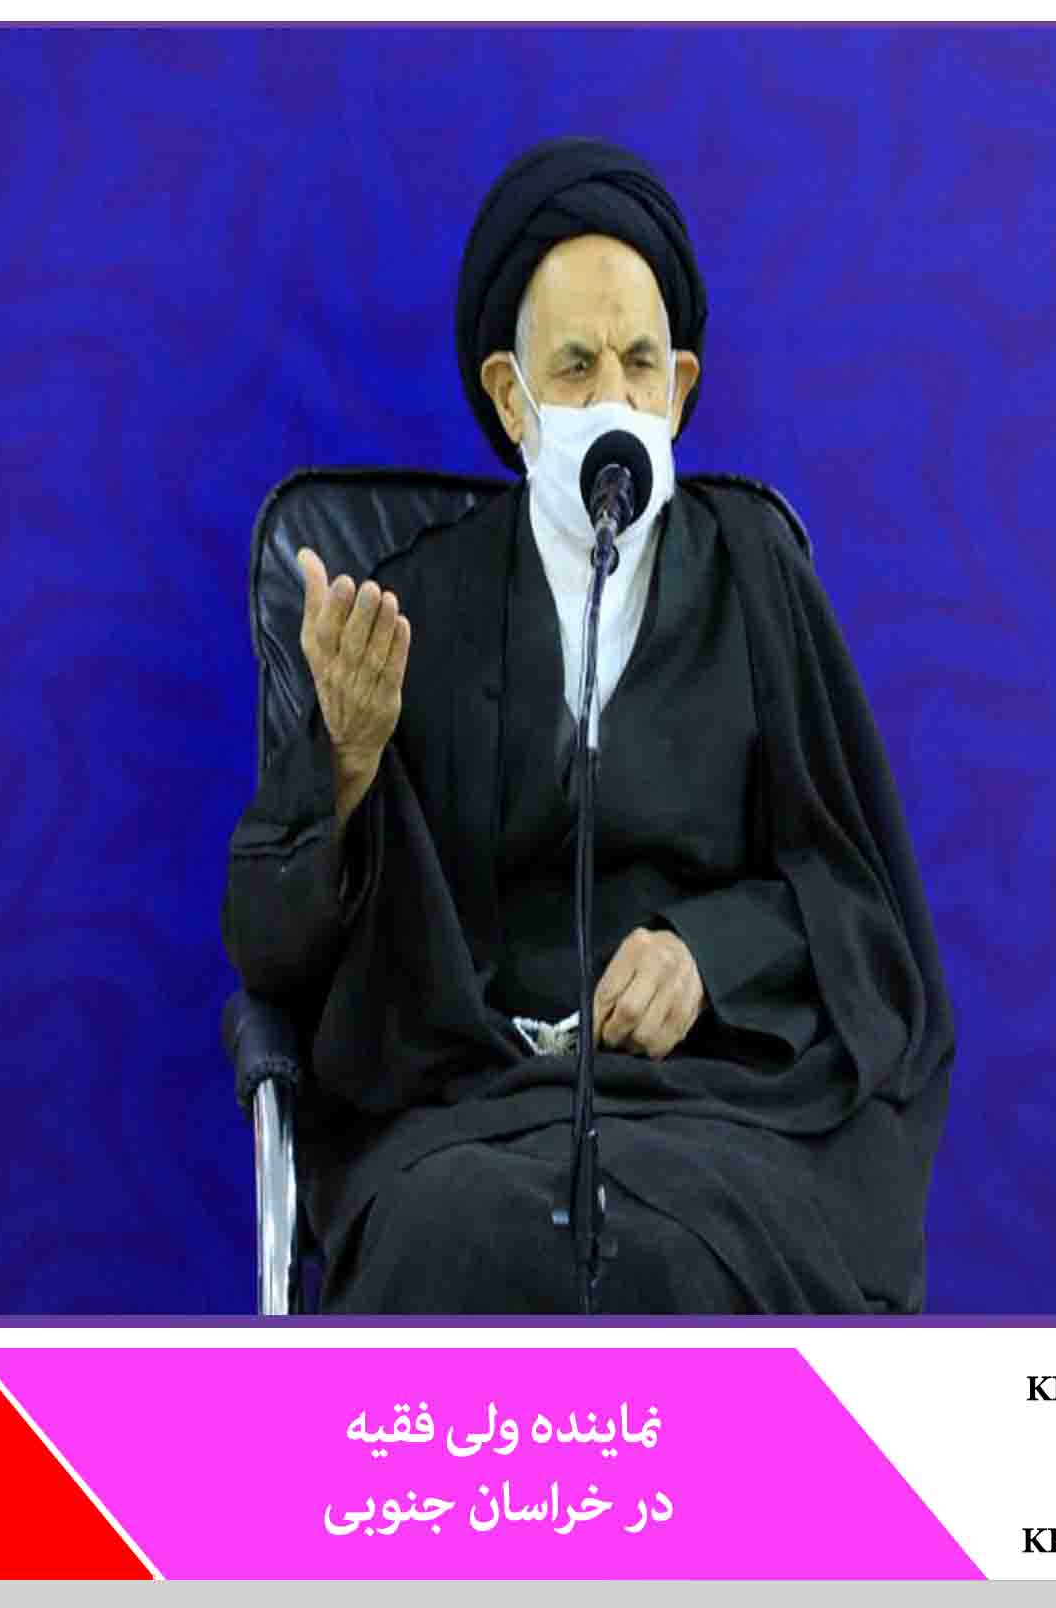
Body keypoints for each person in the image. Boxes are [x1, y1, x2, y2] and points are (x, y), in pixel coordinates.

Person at [223, 137, 952, 1314]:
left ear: (681, 388)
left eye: (639, 364)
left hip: (718, 1105)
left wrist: (707, 954)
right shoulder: (412, 607)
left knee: (687, 1249)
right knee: (456, 1236)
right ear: (509, 397)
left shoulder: (755, 577)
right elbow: (269, 948)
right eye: (574, 367)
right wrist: (345, 765)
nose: (613, 398)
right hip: (473, 1109)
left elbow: (860, 907)